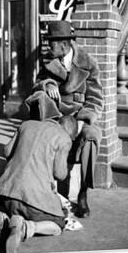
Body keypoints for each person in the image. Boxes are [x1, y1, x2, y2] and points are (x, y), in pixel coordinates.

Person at [30, 20, 103, 218]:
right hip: (57, 115)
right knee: (48, 134)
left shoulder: (88, 63)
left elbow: (96, 99)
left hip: (80, 115)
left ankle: (83, 193)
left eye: (51, 43)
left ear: (64, 44)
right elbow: (36, 86)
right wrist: (47, 83)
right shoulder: (48, 61)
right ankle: (52, 193)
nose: (48, 47)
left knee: (92, 138)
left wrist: (83, 120)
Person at [0, 116, 78, 253]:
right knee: (59, 224)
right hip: (32, 199)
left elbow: (7, 151)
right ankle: (26, 227)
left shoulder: (26, 124)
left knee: (18, 210)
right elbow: (60, 174)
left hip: (5, 193)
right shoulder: (64, 138)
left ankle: (3, 218)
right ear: (69, 131)